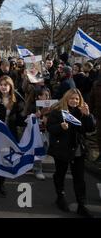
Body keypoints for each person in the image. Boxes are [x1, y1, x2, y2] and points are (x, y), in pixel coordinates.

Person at [46, 89, 95, 218]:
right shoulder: (57, 111)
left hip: (77, 148)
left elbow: (90, 128)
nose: (74, 101)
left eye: (77, 99)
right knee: (60, 174)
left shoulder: (82, 111)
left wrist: (88, 115)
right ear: (66, 98)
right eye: (72, 98)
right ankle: (60, 197)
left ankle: (81, 204)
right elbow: (50, 128)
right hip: (61, 149)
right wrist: (60, 127)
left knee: (79, 177)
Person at [0, 75, 25, 197]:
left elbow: (20, 119)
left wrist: (31, 118)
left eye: (6, 85)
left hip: (9, 135)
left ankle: (1, 183)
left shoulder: (16, 100)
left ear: (10, 86)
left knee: (6, 159)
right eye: (1, 85)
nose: (3, 87)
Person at [89, 71, 101, 164]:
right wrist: (90, 112)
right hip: (99, 114)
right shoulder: (96, 84)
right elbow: (92, 99)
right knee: (99, 136)